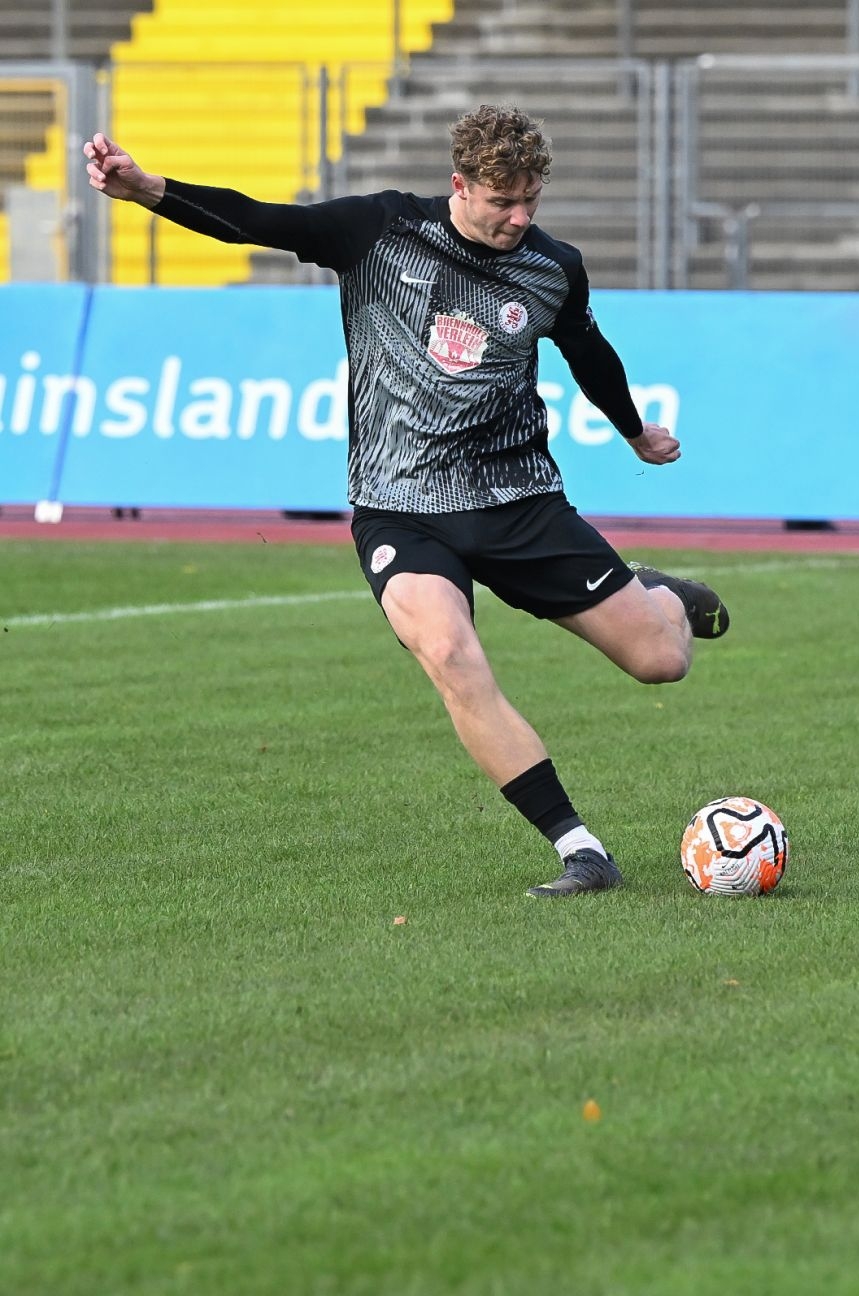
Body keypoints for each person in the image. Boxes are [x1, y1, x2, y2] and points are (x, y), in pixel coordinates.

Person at [85, 105, 730, 898]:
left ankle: (659, 594)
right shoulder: (380, 230)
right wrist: (147, 188)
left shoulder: (553, 267)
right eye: (502, 202)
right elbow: (261, 220)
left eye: (531, 200)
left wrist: (633, 432)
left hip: (519, 500)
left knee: (661, 661)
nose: (519, 218)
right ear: (460, 185)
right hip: (400, 508)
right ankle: (581, 851)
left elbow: (590, 353)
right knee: (451, 654)